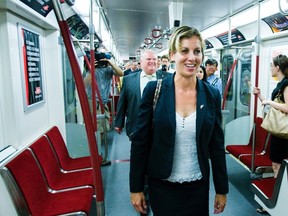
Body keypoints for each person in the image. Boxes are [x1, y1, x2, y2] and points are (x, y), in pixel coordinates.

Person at [129, 26, 228, 216]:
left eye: (197, 51)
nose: (192, 57)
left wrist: (221, 189)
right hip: (162, 185)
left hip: (198, 186)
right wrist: (136, 187)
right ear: (173, 54)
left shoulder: (211, 95)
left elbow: (216, 145)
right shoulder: (154, 91)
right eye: (184, 51)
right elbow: (140, 142)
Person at [253, 54, 288, 214]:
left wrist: (269, 102)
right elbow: (275, 107)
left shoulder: (286, 85)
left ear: (278, 67)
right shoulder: (280, 84)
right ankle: (275, 201)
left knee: (279, 167)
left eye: (271, 65)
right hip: (278, 133)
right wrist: (261, 96)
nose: (270, 68)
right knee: (276, 165)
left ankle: (279, 202)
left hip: (284, 135)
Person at [114, 49, 167, 138]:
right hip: (136, 126)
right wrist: (119, 123)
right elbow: (122, 102)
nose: (152, 62)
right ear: (141, 62)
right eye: (148, 59)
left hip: (161, 126)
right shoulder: (128, 80)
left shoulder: (167, 78)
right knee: (137, 150)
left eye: (154, 59)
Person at [84, 54, 123, 131]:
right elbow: (85, 84)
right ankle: (97, 142)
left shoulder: (108, 70)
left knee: (104, 124)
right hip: (93, 100)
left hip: (103, 101)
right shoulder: (91, 70)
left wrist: (111, 63)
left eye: (104, 61)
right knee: (99, 126)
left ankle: (99, 141)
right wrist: (92, 70)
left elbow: (121, 73)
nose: (102, 63)